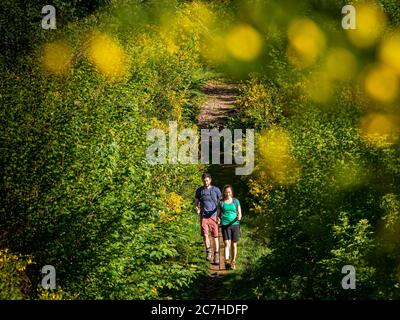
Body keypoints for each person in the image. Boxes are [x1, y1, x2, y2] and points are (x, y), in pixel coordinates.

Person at [195, 173, 222, 264]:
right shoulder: (199, 190)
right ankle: (208, 252)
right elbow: (196, 202)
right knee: (205, 235)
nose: (206, 182)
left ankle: (217, 255)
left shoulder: (216, 190)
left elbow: (220, 202)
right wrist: (197, 208)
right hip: (204, 216)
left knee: (215, 236)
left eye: (207, 180)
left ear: (210, 180)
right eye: (204, 181)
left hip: (214, 216)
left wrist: (220, 215)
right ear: (202, 181)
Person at [217, 185, 242, 270]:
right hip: (225, 225)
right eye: (226, 192)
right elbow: (218, 214)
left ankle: (233, 262)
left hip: (235, 224)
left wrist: (239, 216)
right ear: (224, 192)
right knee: (227, 244)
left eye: (229, 192)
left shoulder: (236, 201)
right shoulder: (221, 202)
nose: (228, 194)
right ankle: (227, 262)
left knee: (234, 244)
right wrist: (218, 219)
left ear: (231, 192)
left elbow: (239, 212)